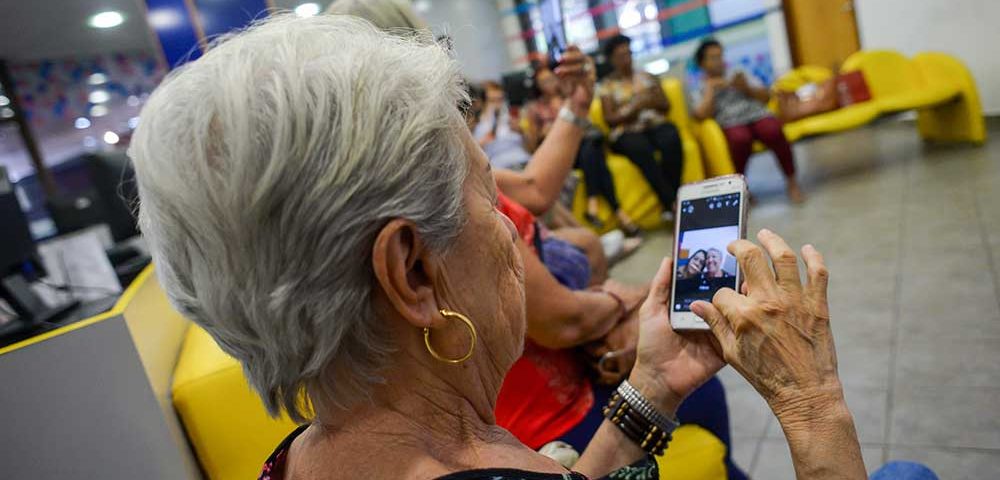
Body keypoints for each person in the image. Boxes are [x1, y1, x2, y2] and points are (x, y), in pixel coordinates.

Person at [130, 15, 878, 480]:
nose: (511, 220)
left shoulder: (305, 453)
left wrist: (651, 386)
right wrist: (814, 410)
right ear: (414, 273)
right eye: (490, 194)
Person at [526, 65, 642, 237]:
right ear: (537, 86)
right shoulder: (535, 109)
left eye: (551, 79)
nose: (549, 84)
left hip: (581, 146)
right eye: (544, 81)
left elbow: (584, 122)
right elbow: (532, 145)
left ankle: (596, 205)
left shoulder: (568, 98)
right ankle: (619, 214)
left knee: (591, 151)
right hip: (559, 154)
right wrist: (546, 133)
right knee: (593, 152)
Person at [690, 38, 805, 203]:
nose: (719, 61)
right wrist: (710, 89)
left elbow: (766, 97)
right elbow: (700, 115)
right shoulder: (698, 86)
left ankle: (792, 182)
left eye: (720, 56)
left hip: (756, 114)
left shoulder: (738, 73)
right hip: (730, 122)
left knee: (773, 130)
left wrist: (745, 87)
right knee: (739, 140)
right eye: (713, 58)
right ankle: (742, 189)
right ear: (702, 63)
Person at [598, 34, 684, 221]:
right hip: (626, 131)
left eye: (628, 53)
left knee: (671, 138)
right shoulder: (607, 86)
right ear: (612, 59)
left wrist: (650, 102)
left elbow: (665, 105)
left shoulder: (647, 76)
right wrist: (634, 108)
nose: (627, 59)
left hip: (653, 124)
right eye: (621, 55)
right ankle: (672, 203)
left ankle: (671, 204)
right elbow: (609, 119)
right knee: (640, 149)